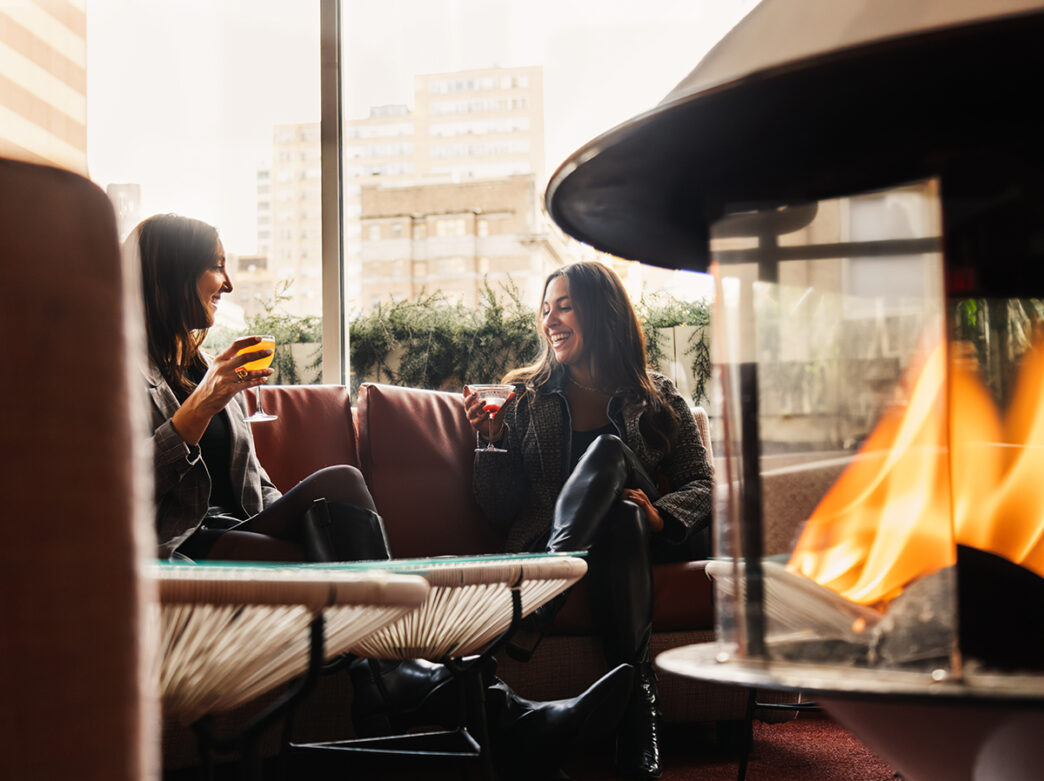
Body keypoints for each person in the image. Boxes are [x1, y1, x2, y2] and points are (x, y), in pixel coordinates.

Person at [134, 213, 633, 778]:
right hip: (187, 548)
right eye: (217, 266)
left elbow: (252, 486)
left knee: (332, 497)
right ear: (174, 272)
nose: (227, 283)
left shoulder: (203, 367)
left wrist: (299, 509)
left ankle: (428, 694)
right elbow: (117, 490)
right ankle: (418, 684)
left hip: (243, 530)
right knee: (342, 481)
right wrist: (199, 406)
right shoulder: (124, 369)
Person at [465, 262, 714, 780]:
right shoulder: (523, 398)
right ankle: (640, 714)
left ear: (600, 312)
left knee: (612, 465)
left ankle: (546, 594)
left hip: (643, 538)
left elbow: (702, 483)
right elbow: (501, 509)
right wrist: (490, 441)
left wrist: (660, 515)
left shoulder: (656, 396)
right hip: (567, 535)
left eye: (566, 306)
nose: (551, 320)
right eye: (546, 308)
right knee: (617, 515)